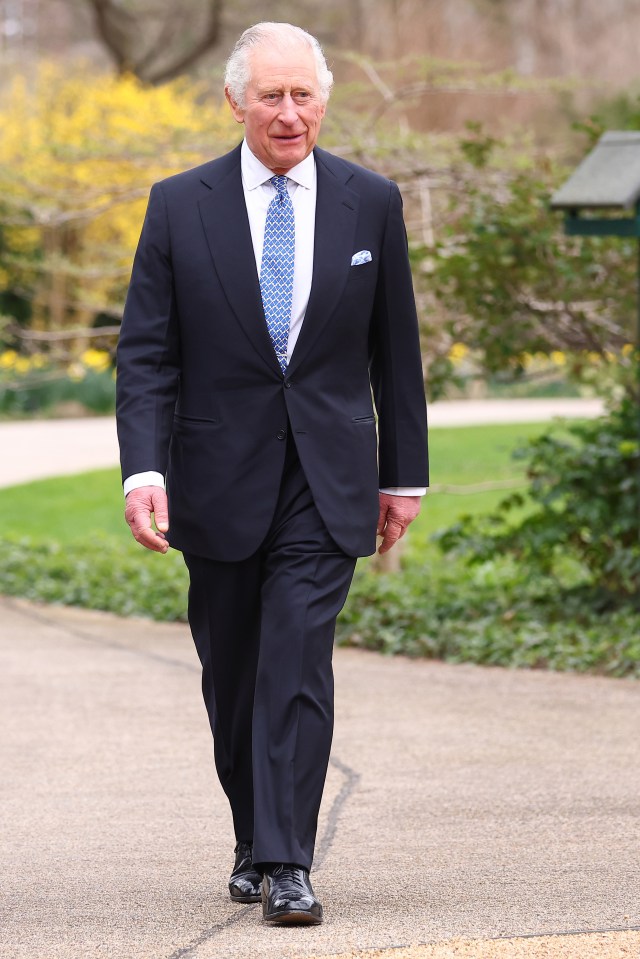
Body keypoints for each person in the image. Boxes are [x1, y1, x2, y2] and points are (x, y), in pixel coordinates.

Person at [116, 21, 428, 926]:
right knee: (234, 672)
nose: (288, 114)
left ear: (324, 100)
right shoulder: (180, 204)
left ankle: (289, 861)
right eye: (270, 96)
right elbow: (147, 355)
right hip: (215, 475)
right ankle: (255, 834)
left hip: (327, 476)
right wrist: (144, 468)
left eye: (303, 95)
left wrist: (402, 475)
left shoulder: (372, 200)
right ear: (235, 102)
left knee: (297, 656)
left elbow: (394, 354)